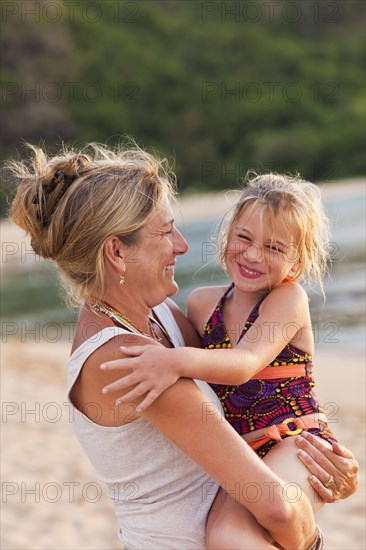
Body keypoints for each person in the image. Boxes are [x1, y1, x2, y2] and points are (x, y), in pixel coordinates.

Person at [9, 144, 358, 550]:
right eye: (165, 231)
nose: (182, 245)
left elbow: (240, 374)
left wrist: (329, 472)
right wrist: (311, 539)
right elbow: (277, 508)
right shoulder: (125, 361)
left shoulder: (162, 316)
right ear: (117, 252)